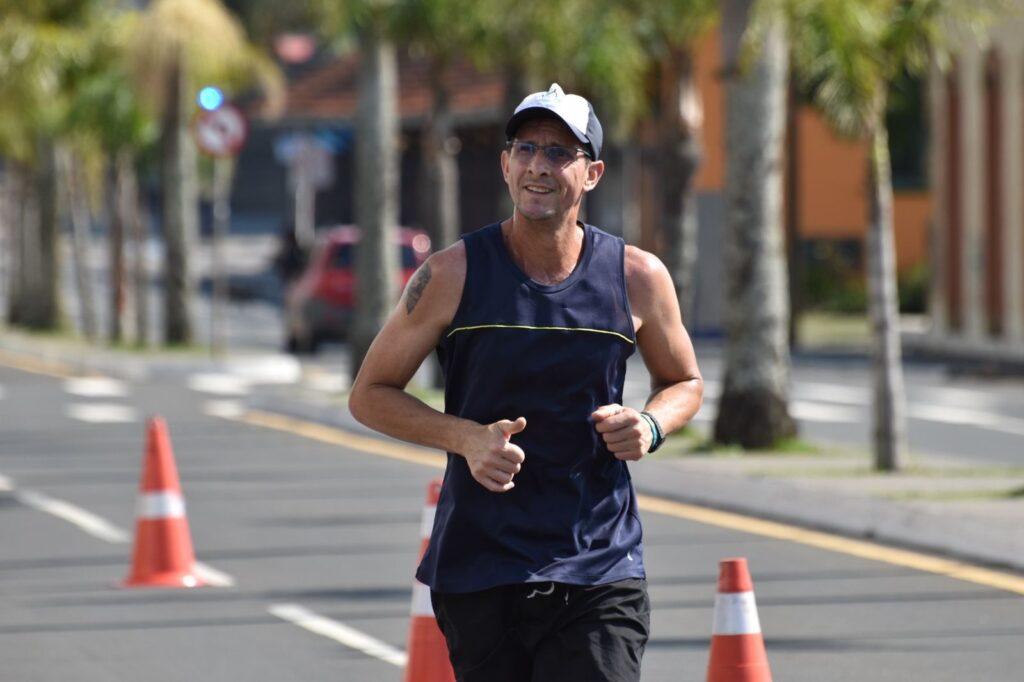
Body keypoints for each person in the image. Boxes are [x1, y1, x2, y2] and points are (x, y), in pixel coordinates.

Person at [348, 83, 703, 681]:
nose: (539, 165)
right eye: (526, 148)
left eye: (560, 152)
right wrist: (465, 438)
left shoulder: (638, 276)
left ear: (592, 173)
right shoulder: (449, 274)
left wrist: (649, 423)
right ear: (505, 163)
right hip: (481, 568)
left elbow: (685, 381)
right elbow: (369, 394)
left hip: (599, 565)